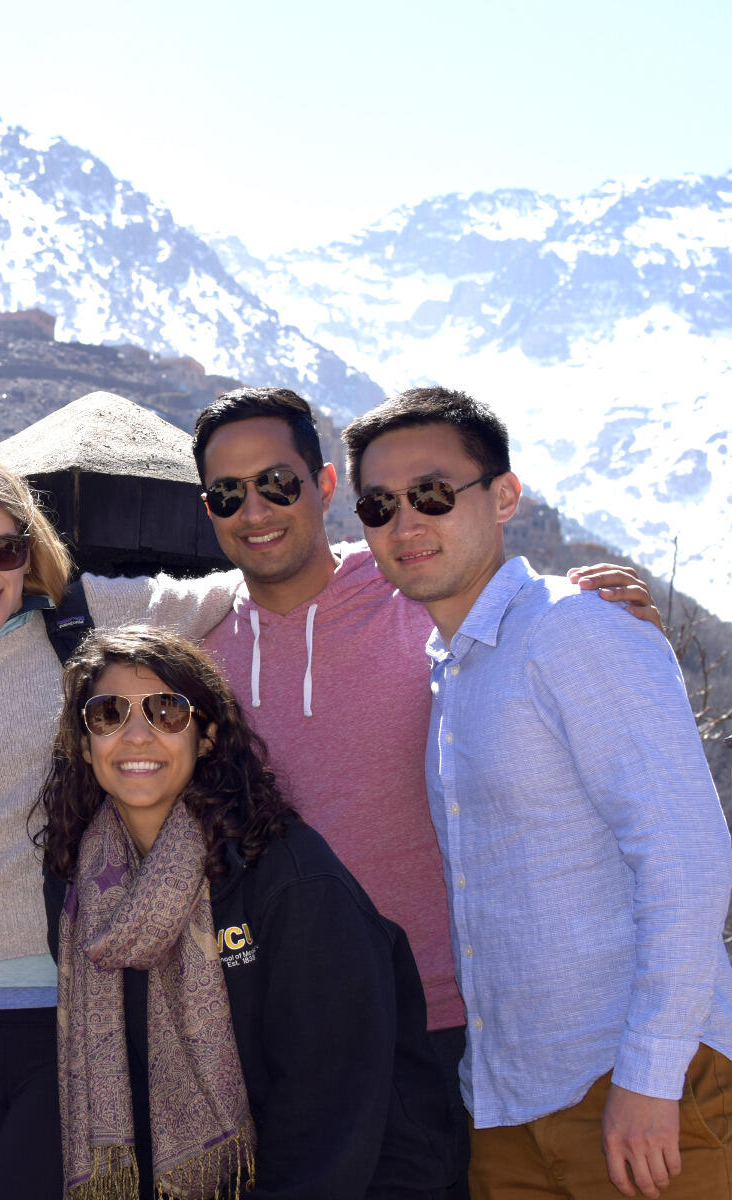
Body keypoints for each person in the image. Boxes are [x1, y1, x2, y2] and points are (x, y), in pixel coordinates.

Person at [186, 386, 661, 1194]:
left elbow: (523, 616)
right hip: (277, 1036)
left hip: (446, 1025)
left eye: (278, 482)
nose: (256, 510)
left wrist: (609, 613)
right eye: (229, 493)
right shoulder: (196, 649)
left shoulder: (414, 587)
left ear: (327, 486)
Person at [342, 386, 732, 1200]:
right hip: (510, 1109)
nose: (406, 523)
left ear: (506, 496)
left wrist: (652, 1079)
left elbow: (686, 856)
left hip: (636, 1092)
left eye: (434, 494)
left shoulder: (575, 627)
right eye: (379, 505)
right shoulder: (453, 669)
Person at [0, 453, 236, 1200]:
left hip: (68, 1009)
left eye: (2, 550)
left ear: (29, 550)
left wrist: (371, 560)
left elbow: (233, 591)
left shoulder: (85, 622)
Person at [39, 625, 457, 1199]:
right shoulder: (79, 887)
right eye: (108, 713)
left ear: (206, 736)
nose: (136, 735)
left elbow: (328, 1106)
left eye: (167, 712)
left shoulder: (289, 877)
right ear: (85, 744)